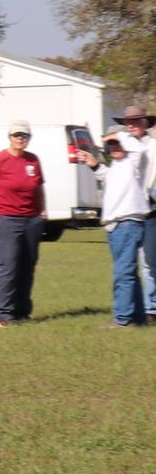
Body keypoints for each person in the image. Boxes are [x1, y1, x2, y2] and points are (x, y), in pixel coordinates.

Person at [77, 132, 150, 327]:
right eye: (111, 144)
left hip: (127, 223)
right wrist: (94, 164)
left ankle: (122, 319)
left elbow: (139, 149)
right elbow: (106, 177)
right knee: (128, 273)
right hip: (116, 226)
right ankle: (137, 317)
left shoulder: (134, 162)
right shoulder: (117, 166)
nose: (114, 147)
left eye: (117, 143)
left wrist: (119, 134)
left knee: (123, 273)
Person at [0, 120, 45, 327]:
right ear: (9, 137)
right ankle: (3, 315)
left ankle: (22, 312)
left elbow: (39, 188)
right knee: (9, 267)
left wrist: (42, 212)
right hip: (7, 219)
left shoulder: (33, 160)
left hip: (31, 219)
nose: (20, 139)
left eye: (24, 135)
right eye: (17, 135)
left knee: (27, 266)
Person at [109, 104, 156, 321]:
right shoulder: (124, 148)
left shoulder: (150, 147)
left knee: (148, 262)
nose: (131, 125)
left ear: (145, 123)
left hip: (150, 209)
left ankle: (150, 308)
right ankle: (141, 308)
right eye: (127, 122)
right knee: (131, 263)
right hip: (132, 211)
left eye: (136, 121)